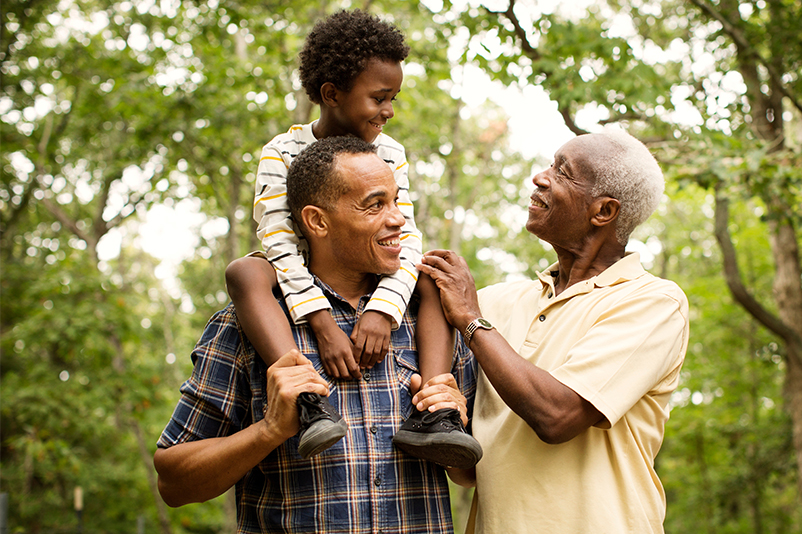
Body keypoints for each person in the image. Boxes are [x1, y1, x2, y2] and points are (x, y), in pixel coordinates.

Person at [154, 136, 477, 532]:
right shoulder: (248, 325)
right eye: (375, 205)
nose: (398, 220)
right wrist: (269, 430)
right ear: (317, 221)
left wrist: (455, 420)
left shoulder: (432, 321)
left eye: (396, 201)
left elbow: (473, 475)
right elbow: (173, 482)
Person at [224, 9, 479, 467]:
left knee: (432, 272)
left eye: (393, 97)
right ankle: (306, 401)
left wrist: (383, 310)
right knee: (246, 270)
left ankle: (436, 412)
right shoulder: (282, 152)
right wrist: (320, 322)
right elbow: (279, 239)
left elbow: (406, 235)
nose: (389, 110)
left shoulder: (390, 152)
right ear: (331, 94)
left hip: (375, 273)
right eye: (379, 97)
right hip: (301, 276)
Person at [418, 130, 690, 533]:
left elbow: (557, 416)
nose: (540, 178)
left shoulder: (654, 303)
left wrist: (471, 320)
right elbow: (470, 472)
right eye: (550, 164)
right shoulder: (498, 302)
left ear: (603, 212)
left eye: (563, 172)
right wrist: (448, 415)